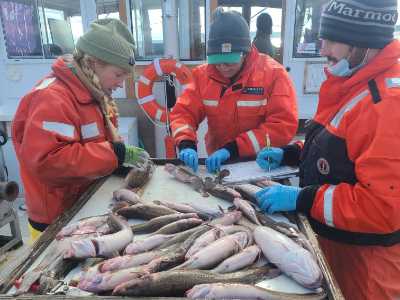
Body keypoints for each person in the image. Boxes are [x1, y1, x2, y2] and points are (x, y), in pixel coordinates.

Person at [255, 1, 400, 299]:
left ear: (363, 43)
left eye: (332, 40)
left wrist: (303, 198)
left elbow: (382, 207)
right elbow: (339, 143)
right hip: (335, 246)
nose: (323, 49)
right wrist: (293, 153)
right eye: (322, 38)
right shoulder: (352, 81)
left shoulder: (387, 104)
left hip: (365, 267)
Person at [12, 19, 149, 240]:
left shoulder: (95, 94)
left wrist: (118, 162)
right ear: (94, 63)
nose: (121, 83)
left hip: (85, 206)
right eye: (118, 74)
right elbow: (48, 162)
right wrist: (114, 154)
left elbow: (95, 145)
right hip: (56, 219)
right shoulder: (52, 99)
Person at [170, 8, 298, 173]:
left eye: (230, 62)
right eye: (217, 61)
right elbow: (183, 113)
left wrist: (234, 148)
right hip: (219, 164)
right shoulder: (201, 76)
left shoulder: (274, 75)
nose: (223, 67)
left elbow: (282, 126)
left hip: (261, 165)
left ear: (245, 53)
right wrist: (186, 143)